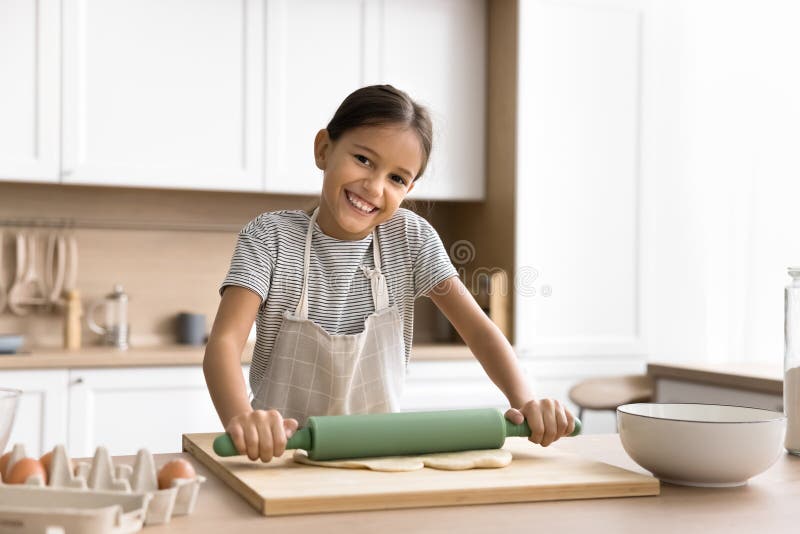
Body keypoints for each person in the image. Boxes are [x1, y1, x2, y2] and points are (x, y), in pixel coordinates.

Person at [203, 85, 576, 463]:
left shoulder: (411, 239)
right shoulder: (270, 237)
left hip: (379, 458)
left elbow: (479, 330)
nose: (375, 186)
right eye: (364, 159)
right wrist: (245, 421)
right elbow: (224, 344)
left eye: (397, 178)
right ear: (323, 149)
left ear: (409, 188)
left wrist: (526, 401)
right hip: (279, 453)